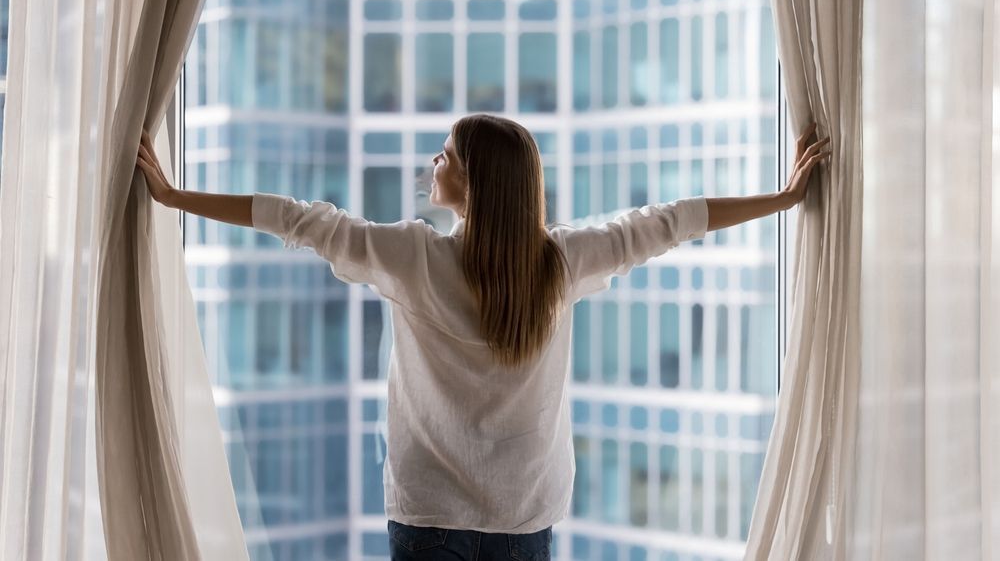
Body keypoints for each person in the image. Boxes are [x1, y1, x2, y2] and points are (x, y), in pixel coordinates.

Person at [135, 114, 831, 560]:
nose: (431, 164)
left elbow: (297, 220)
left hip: (428, 515)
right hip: (525, 520)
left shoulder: (413, 256)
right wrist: (782, 197)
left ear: (469, 180)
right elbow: (674, 220)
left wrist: (172, 196)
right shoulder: (565, 260)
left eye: (443, 156)